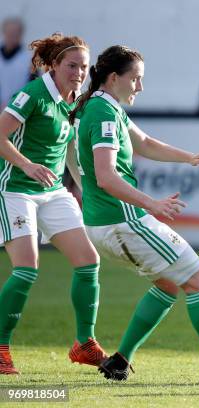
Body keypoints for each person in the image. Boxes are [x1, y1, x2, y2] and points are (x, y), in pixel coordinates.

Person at [69, 45, 199, 384]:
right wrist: (152, 204)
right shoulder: (103, 113)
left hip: (104, 223)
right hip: (123, 221)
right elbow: (105, 177)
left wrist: (188, 157)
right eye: (136, 79)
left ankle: (119, 361)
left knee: (167, 284)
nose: (140, 87)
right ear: (114, 77)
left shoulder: (103, 107)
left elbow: (145, 142)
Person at [0, 33, 107, 375]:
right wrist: (27, 165)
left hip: (52, 191)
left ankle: (85, 344)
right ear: (54, 65)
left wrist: (81, 185)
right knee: (27, 268)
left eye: (84, 67)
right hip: (15, 188)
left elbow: (71, 149)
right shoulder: (32, 94)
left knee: (89, 260)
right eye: (72, 65)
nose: (78, 72)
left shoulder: (76, 100)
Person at [0, 18, 32, 109]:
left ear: (21, 34)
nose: (12, 35)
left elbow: (31, 88)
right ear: (3, 32)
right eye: (9, 32)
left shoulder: (30, 60)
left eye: (16, 32)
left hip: (16, 110)